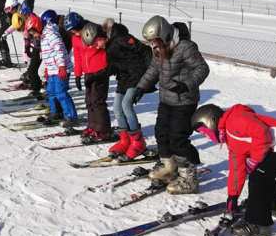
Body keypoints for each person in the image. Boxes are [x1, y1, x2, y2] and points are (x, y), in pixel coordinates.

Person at [192, 104, 276, 236]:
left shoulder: (235, 120)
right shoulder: (231, 138)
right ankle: (270, 206)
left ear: (210, 121)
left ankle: (259, 224)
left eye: (204, 132)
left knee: (258, 176)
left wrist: (255, 160)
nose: (207, 137)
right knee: (263, 172)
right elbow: (236, 169)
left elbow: (262, 132)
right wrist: (232, 198)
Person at [134, 16, 210, 194]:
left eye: (154, 40)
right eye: (150, 41)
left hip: (184, 100)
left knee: (178, 138)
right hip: (166, 99)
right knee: (161, 133)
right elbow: (154, 69)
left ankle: (189, 176)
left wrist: (187, 84)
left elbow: (202, 68)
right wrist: (141, 87)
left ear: (165, 34)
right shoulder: (159, 49)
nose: (152, 44)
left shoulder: (185, 47)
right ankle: (169, 166)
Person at [106, 22, 152, 161]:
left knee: (126, 105)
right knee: (116, 108)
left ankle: (138, 143)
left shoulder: (122, 39)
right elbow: (115, 66)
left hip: (136, 78)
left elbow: (145, 50)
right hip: (124, 79)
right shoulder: (111, 46)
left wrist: (148, 73)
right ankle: (125, 141)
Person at [64, 12, 113, 144]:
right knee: (89, 101)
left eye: (75, 29)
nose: (74, 32)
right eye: (71, 31)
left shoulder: (93, 30)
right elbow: (78, 56)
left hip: (100, 70)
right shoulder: (75, 37)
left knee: (98, 101)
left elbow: (107, 46)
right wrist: (78, 74)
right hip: (88, 72)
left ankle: (103, 130)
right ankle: (93, 126)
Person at [31, 10, 78, 128]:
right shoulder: (45, 35)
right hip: (52, 69)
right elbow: (48, 55)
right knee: (51, 92)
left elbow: (59, 50)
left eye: (34, 32)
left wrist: (62, 66)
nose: (34, 35)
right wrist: (47, 68)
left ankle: (71, 116)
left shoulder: (51, 34)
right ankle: (55, 112)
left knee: (61, 93)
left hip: (60, 69)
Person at [0, 0, 22, 68]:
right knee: (1, 40)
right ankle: (6, 60)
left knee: (1, 39)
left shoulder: (19, 12)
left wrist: (7, 31)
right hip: (7, 25)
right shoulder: (14, 11)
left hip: (27, 32)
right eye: (7, 9)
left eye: (9, 9)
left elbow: (15, 24)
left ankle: (6, 61)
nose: (9, 11)